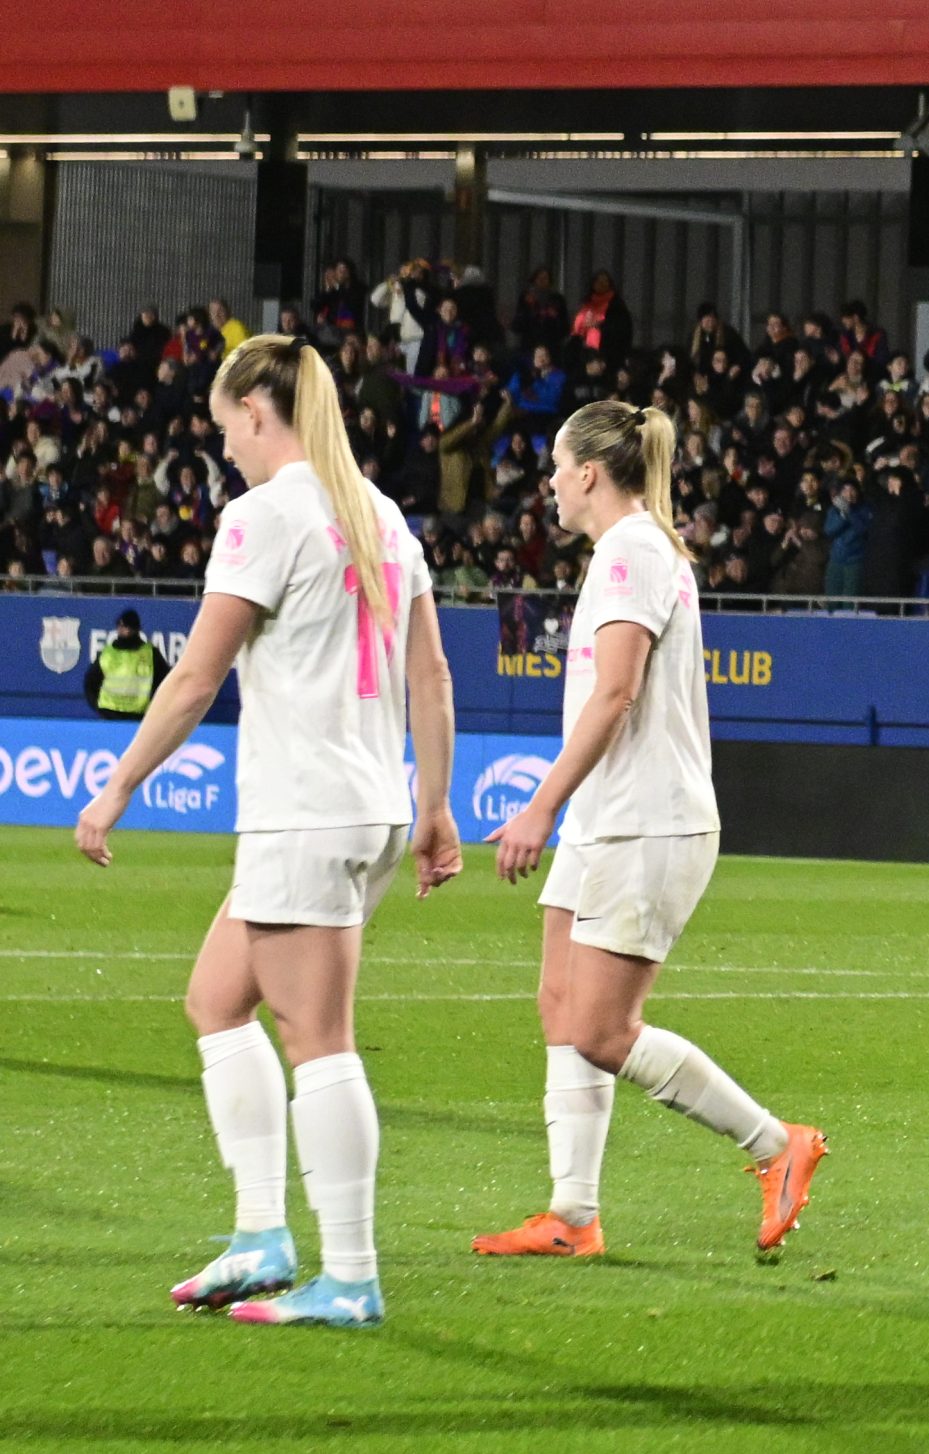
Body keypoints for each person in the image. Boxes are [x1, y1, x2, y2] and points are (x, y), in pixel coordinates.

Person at [74, 335, 462, 1328]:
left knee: (319, 1041)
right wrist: (432, 807)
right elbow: (430, 676)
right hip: (362, 805)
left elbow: (197, 677)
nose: (225, 450)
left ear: (257, 408)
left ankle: (352, 1276)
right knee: (215, 1000)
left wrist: (115, 785)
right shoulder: (380, 515)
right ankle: (261, 1239)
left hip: (308, 810)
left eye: (223, 428)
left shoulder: (264, 516)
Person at [473, 401, 827, 1262]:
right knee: (561, 1005)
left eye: (557, 467)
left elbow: (616, 691)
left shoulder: (632, 551)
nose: (550, 483)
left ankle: (777, 1146)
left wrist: (541, 804)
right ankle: (572, 1216)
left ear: (590, 472)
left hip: (646, 823)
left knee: (601, 1028)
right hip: (611, 819)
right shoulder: (629, 552)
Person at [83, 607, 170, 718]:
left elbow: (165, 682)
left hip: (138, 715)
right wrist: (98, 707)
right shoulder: (107, 653)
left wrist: (155, 708)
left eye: (128, 627)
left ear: (137, 629)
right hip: (110, 713)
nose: (125, 630)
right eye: (122, 626)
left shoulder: (151, 653)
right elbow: (90, 682)